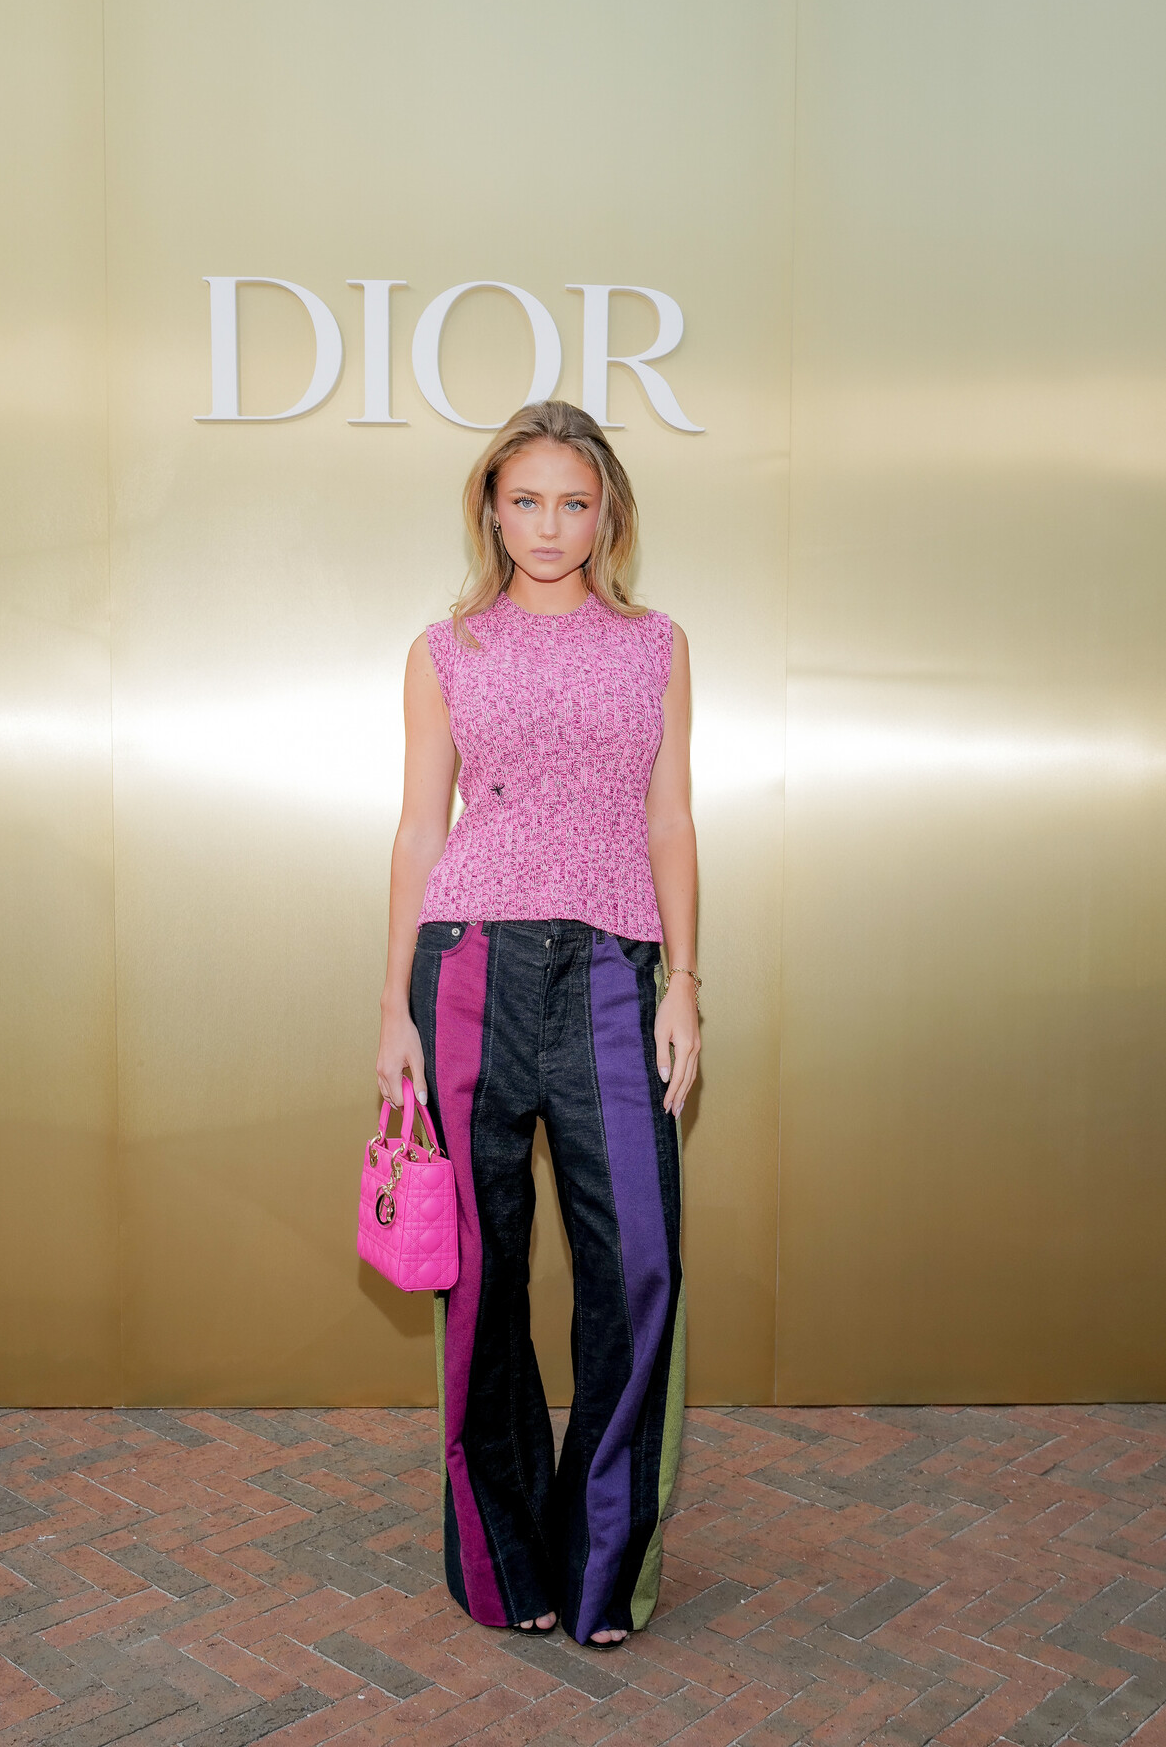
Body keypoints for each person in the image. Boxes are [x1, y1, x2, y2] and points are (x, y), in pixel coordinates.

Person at [376, 399, 700, 1649]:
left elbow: (669, 817)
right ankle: (506, 1564)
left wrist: (684, 982)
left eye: (574, 501)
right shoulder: (445, 648)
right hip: (468, 969)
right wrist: (392, 1010)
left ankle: (603, 1563)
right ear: (493, 512)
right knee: (482, 1271)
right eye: (526, 501)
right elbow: (421, 827)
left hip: (614, 970)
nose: (550, 525)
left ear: (606, 512)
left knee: (637, 1267)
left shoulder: (657, 645)